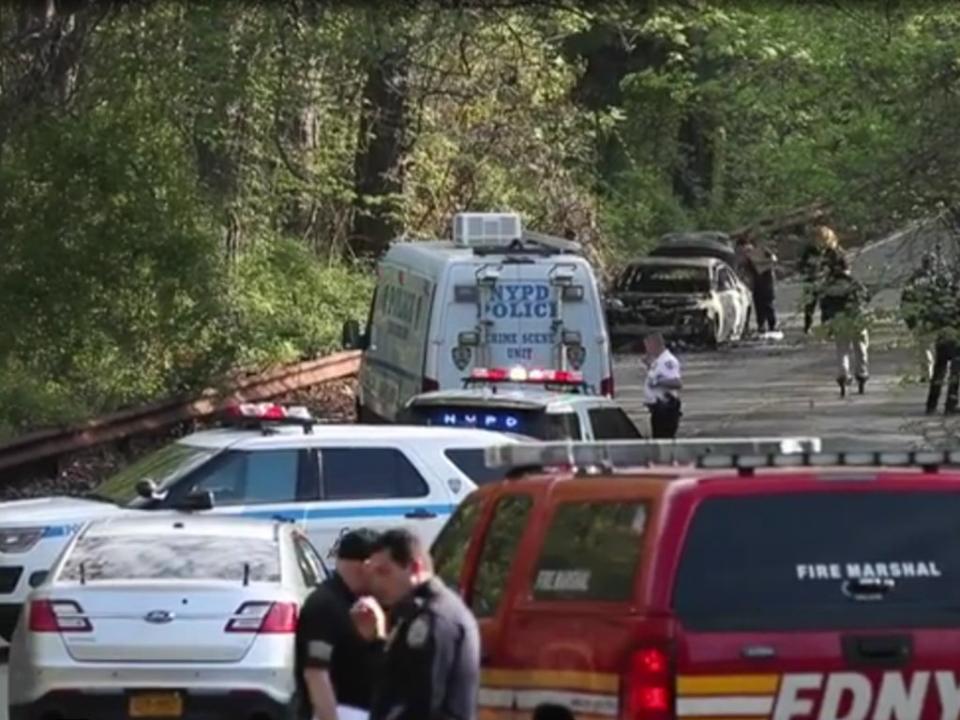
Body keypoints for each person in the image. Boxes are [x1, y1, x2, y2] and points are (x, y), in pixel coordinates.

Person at [352, 528, 480, 720]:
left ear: (415, 568)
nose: (377, 582)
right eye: (374, 573)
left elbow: (423, 702)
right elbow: (397, 681)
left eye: (384, 572)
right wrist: (375, 642)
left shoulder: (434, 617)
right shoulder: (410, 612)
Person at [296, 528, 384, 720]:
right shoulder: (325, 607)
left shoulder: (353, 602)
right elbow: (316, 673)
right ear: (366, 566)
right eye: (380, 569)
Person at [819, 257, 870, 397]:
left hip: (839, 320)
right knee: (861, 347)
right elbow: (866, 296)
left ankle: (843, 376)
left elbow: (824, 305)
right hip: (856, 319)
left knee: (842, 350)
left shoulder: (829, 285)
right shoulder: (854, 282)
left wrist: (826, 323)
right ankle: (862, 374)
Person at [798, 225, 845, 334]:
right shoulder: (810, 250)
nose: (818, 241)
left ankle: (828, 328)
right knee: (809, 304)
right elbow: (802, 265)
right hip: (811, 280)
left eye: (822, 239)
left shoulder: (834, 251)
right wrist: (806, 270)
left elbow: (844, 266)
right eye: (817, 238)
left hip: (828, 282)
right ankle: (807, 327)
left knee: (827, 305)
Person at [901, 252, 939, 381]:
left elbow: (905, 301)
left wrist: (910, 321)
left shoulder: (913, 280)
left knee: (924, 347)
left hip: (920, 318)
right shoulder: (940, 279)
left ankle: (927, 374)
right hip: (937, 318)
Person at [642, 332, 682, 438]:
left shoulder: (667, 361)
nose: (646, 350)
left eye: (648, 346)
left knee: (663, 439)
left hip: (665, 409)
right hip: (657, 410)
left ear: (655, 345)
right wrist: (649, 366)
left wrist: (657, 382)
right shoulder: (658, 361)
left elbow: (676, 383)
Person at [749, 242, 779, 333]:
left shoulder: (765, 253)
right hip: (758, 282)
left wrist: (766, 260)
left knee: (768, 304)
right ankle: (761, 325)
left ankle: (772, 325)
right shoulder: (751, 252)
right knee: (759, 305)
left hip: (766, 282)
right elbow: (752, 261)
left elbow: (774, 259)